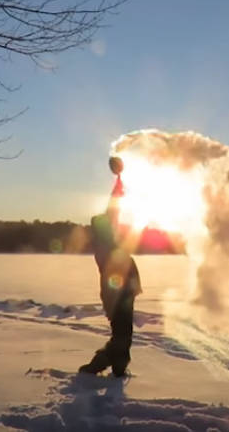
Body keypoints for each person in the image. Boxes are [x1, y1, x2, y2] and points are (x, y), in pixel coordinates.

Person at [79, 157, 142, 377]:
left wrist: (119, 182)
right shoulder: (106, 246)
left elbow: (112, 211)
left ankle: (112, 365)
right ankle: (107, 364)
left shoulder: (105, 242)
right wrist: (118, 186)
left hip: (122, 292)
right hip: (119, 293)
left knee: (123, 332)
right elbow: (112, 212)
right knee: (122, 332)